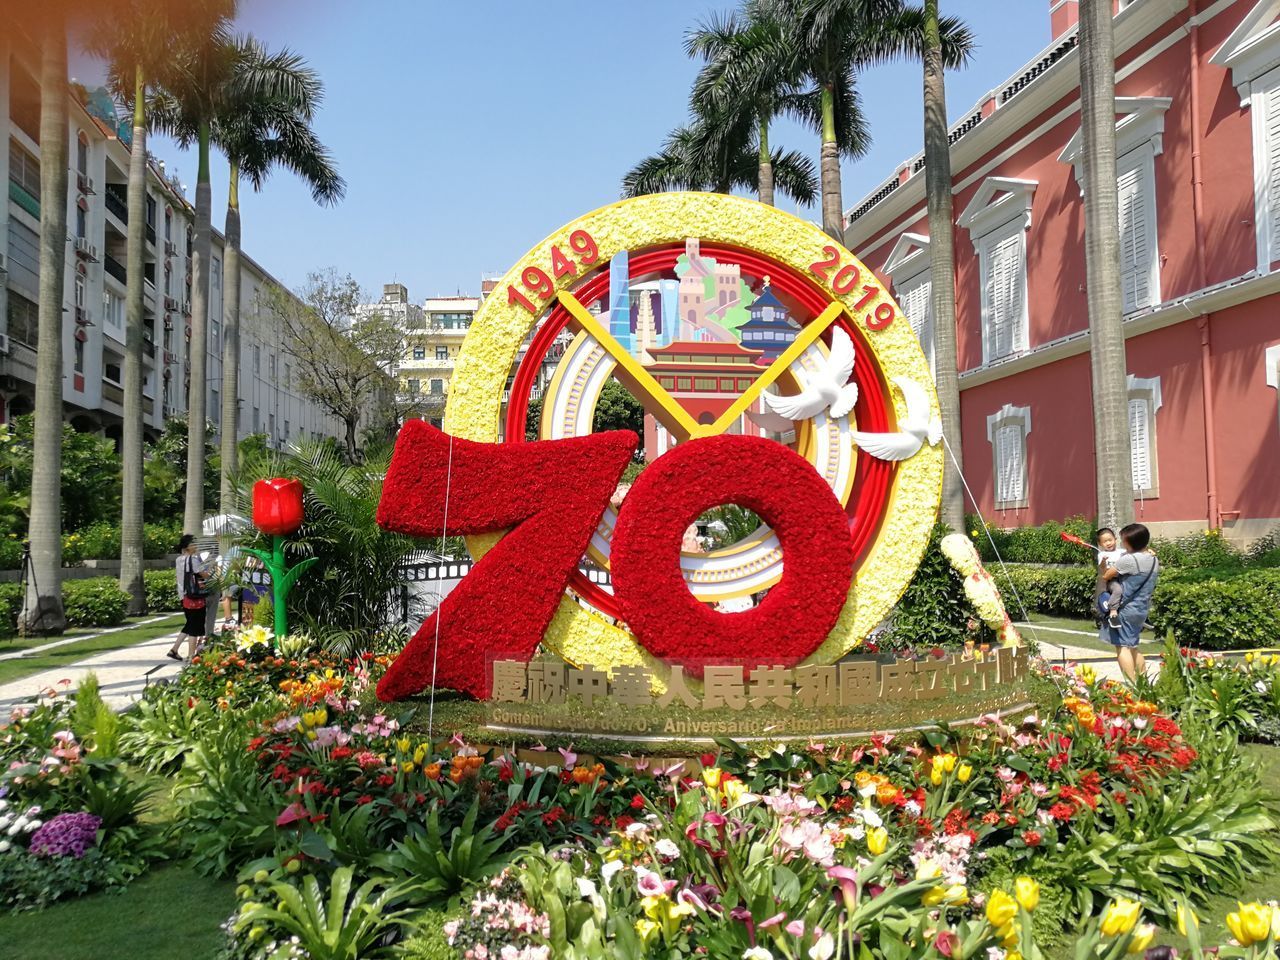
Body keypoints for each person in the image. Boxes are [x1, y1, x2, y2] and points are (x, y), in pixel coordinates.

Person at [1098, 523, 1160, 683]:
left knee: (1122, 647)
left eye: (1124, 540)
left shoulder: (1129, 560)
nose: (1121, 543)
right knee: (1133, 646)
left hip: (1124, 610)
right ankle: (1143, 685)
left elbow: (1106, 575)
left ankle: (1132, 687)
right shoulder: (1153, 559)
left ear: (1131, 542)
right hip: (1141, 610)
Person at [166, 534, 209, 662]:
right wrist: (213, 571)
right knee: (195, 627)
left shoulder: (179, 560)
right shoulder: (193, 560)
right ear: (187, 547)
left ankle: (174, 649)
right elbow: (203, 574)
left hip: (183, 596)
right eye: (193, 543)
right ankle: (191, 656)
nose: (196, 546)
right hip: (194, 596)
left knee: (190, 623)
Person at [1094, 527, 1126, 628]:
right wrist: (1103, 561)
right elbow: (1103, 569)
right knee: (1118, 590)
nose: (1108, 543)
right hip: (1113, 580)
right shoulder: (1102, 555)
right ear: (1100, 544)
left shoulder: (1122, 552)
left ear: (1115, 539)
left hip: (1125, 579)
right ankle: (1113, 613)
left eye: (1110, 540)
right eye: (1105, 541)